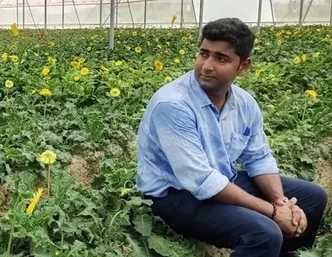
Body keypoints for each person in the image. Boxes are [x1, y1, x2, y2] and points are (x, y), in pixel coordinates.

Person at [135, 18, 328, 257]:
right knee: (264, 233)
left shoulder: (244, 103)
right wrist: (272, 213)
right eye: (204, 54)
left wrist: (281, 202)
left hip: (222, 179)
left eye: (221, 58)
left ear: (243, 66)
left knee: (313, 198)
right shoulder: (173, 105)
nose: (206, 66)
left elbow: (259, 158)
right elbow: (201, 180)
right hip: (175, 196)